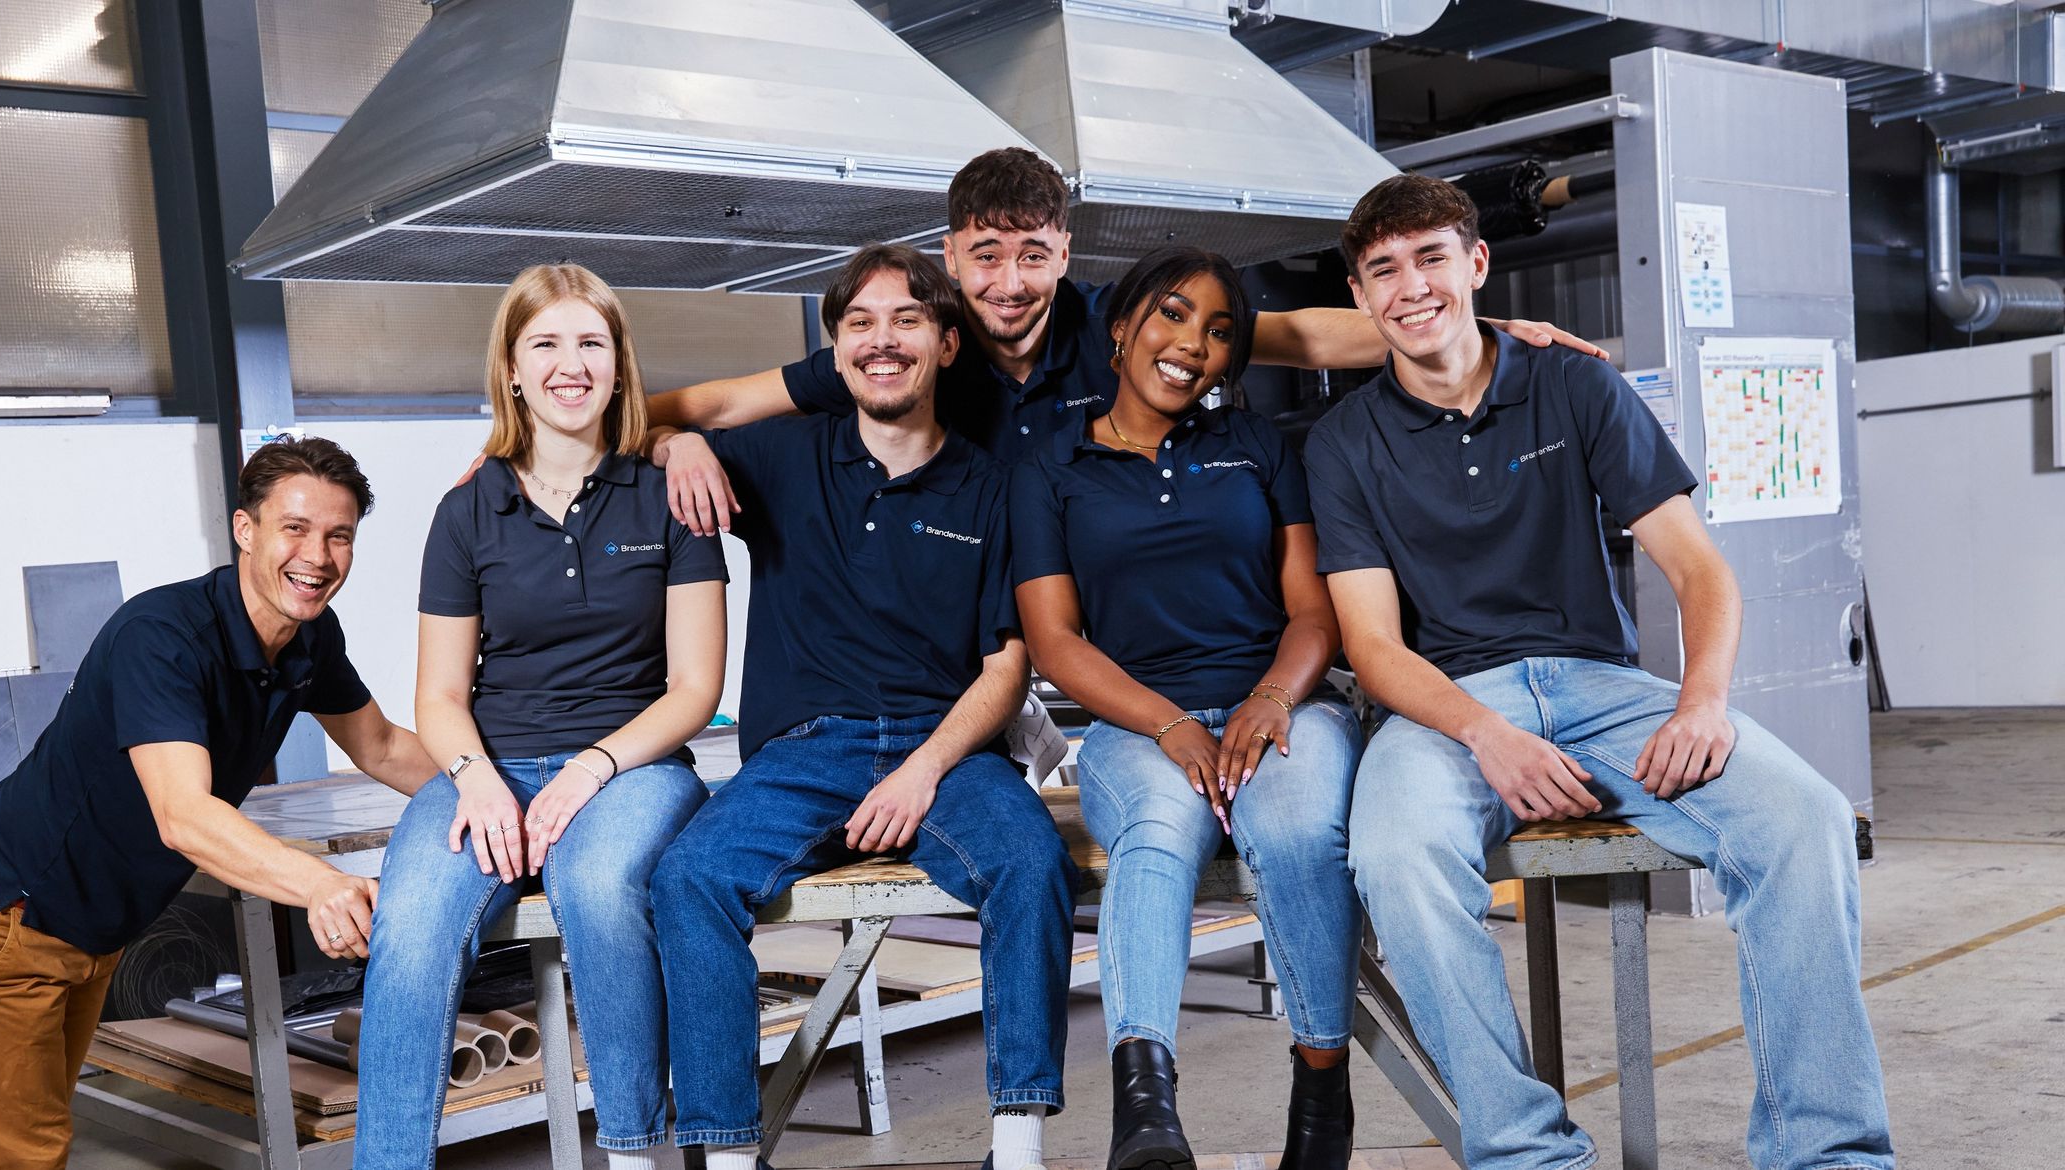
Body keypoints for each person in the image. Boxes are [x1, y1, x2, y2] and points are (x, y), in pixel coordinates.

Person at [1305, 174, 1892, 1169]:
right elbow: (1371, 648)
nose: (1410, 288)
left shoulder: (1575, 386)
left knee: (1804, 820)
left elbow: (1697, 568)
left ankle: (1828, 1153)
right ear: (1358, 297)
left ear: (1476, 264)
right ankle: (1524, 1154)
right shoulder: (1341, 442)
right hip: (1446, 711)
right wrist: (1484, 736)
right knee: (1396, 858)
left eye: (1430, 258)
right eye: (1382, 271)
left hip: (1600, 689)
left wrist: (1702, 702)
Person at [648, 244, 1077, 1170]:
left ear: (947, 345)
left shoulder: (996, 485)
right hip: (803, 752)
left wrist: (924, 773)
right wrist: (678, 441)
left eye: (907, 322)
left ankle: (1016, 1143)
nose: (882, 343)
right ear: (837, 350)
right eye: (860, 325)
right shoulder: (776, 455)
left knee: (1031, 859)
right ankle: (726, 1154)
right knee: (690, 877)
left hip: (949, 749)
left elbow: (1007, 667)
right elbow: (631, 423)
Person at [0, 437, 434, 1170]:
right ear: (246, 530)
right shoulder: (165, 637)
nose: (318, 555)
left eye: (339, 535)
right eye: (295, 528)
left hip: (83, 931)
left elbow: (380, 747)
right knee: (26, 1145)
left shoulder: (310, 637)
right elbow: (182, 816)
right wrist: (320, 886)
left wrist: (496, 802)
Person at [650, 146, 1606, 533]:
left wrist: (1456, 332)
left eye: (1034, 254)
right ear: (952, 253)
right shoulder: (909, 346)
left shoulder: (1123, 323)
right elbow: (714, 402)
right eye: (986, 256)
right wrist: (672, 437)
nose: (1010, 282)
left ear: (1064, 248)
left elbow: (1302, 339)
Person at [354, 265, 730, 1170]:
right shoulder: (466, 509)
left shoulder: (669, 494)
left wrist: (592, 767)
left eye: (590, 343)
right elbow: (439, 698)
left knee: (600, 892)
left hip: (634, 766)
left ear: (618, 362)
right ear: (511, 370)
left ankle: (636, 1152)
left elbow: (695, 689)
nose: (571, 365)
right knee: (407, 926)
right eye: (546, 344)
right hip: (490, 763)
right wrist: (477, 781)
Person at [1013, 245, 1362, 1170]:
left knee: (1292, 838)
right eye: (1171, 315)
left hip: (1283, 706)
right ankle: (1147, 1112)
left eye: (1219, 331)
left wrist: (1272, 698)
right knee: (1160, 831)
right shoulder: (1052, 465)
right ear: (1121, 327)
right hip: (1134, 721)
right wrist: (1169, 724)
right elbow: (1055, 642)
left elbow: (1311, 610)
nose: (1192, 344)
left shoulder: (1258, 447)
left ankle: (1323, 1095)